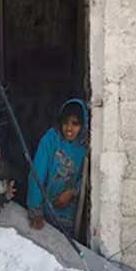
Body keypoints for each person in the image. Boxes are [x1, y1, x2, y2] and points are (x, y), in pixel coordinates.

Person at [27, 99, 88, 235]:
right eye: (65, 123)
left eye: (75, 124)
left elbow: (87, 177)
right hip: (44, 210)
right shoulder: (51, 140)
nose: (69, 128)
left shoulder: (85, 146)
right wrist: (35, 207)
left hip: (68, 213)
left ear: (83, 125)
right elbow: (37, 173)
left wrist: (72, 192)